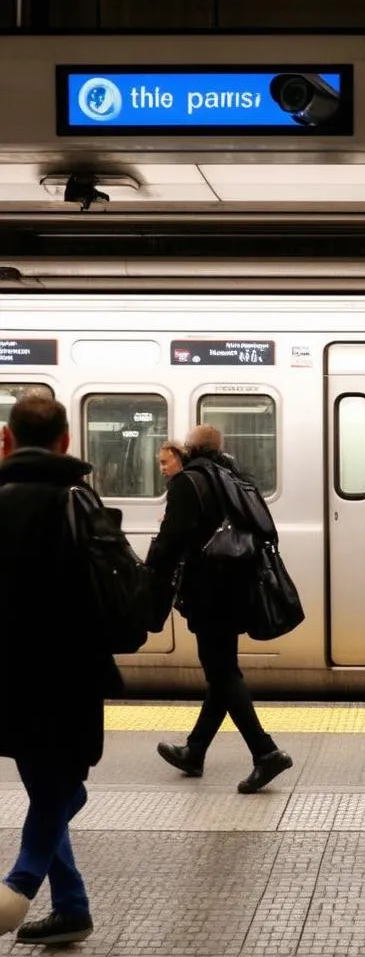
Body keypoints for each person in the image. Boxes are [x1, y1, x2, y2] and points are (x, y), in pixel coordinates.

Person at [0, 395, 122, 945]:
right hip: (73, 674)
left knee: (47, 785)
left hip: (7, 672)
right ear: (67, 442)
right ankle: (41, 890)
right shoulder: (81, 501)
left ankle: (54, 897)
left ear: (6, 440)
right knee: (63, 787)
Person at [146, 424, 293, 794]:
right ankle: (194, 751)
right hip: (238, 589)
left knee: (223, 673)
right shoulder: (234, 478)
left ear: (188, 451)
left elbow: (169, 544)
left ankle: (265, 752)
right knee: (221, 671)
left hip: (207, 593)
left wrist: (147, 577)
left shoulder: (187, 483)